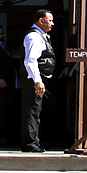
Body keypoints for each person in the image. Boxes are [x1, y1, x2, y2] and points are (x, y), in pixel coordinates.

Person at [21, 9, 56, 152]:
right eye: (50, 20)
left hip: (40, 80)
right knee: (32, 110)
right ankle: (30, 144)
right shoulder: (33, 37)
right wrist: (37, 81)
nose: (52, 24)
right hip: (34, 81)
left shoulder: (42, 36)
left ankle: (36, 141)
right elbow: (30, 61)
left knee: (38, 110)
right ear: (41, 21)